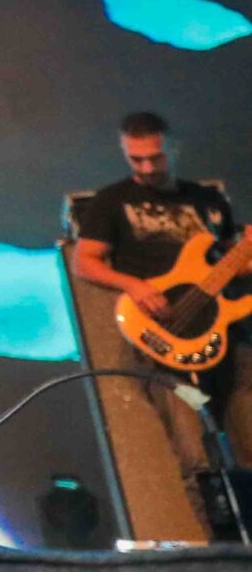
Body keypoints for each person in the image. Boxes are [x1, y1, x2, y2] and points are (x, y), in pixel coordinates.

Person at [69, 110, 252, 527]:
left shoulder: (207, 200)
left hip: (223, 328)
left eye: (156, 157)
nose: (148, 167)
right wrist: (134, 285)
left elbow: (230, 264)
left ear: (173, 148)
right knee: (196, 454)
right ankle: (220, 551)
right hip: (164, 334)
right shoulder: (112, 201)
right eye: (136, 159)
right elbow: (84, 262)